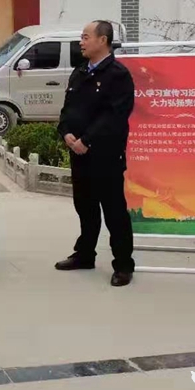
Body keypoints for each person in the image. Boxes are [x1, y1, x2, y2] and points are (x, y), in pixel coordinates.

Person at [54, 20, 136, 287]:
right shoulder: (79, 72)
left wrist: (87, 140)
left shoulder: (118, 75)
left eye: (86, 37)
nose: (81, 42)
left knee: (114, 210)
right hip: (78, 153)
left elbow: (115, 116)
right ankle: (85, 254)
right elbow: (67, 109)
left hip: (106, 156)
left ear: (103, 40)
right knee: (85, 207)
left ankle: (123, 264)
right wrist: (66, 132)